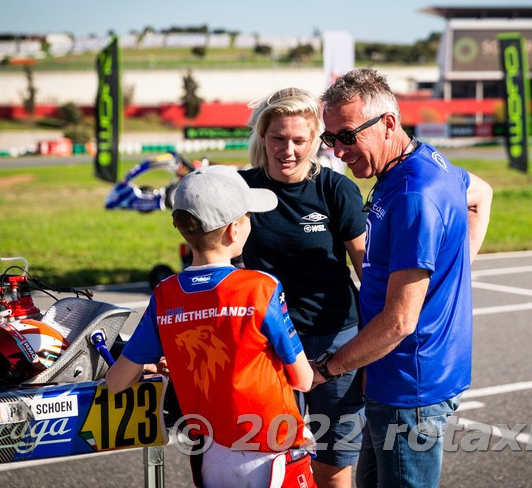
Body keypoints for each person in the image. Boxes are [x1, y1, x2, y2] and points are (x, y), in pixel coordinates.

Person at [313, 68, 493, 487]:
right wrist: (452, 268)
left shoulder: (414, 194)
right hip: (399, 377)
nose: (338, 151)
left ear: (388, 123)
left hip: (407, 389)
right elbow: (480, 194)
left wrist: (329, 368)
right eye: (330, 138)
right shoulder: (421, 161)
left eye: (346, 136)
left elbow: (399, 322)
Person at [106, 165, 316, 488]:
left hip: (211, 456)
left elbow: (117, 381)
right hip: (271, 451)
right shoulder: (261, 287)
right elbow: (303, 378)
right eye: (247, 216)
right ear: (234, 230)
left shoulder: (164, 295)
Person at [238, 87, 367, 488]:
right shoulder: (241, 192)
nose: (288, 149)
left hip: (336, 341)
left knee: (333, 466)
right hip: (270, 347)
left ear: (315, 141)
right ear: (263, 137)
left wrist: (381, 341)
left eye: (299, 140)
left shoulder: (335, 190)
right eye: (278, 138)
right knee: (274, 462)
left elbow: (368, 270)